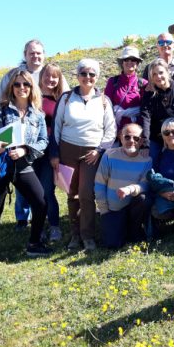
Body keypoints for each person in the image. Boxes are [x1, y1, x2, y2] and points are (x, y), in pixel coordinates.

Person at [0, 69, 51, 270]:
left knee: (41, 201)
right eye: (17, 84)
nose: (21, 88)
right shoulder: (0, 110)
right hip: (0, 164)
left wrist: (25, 149)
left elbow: (44, 140)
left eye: (25, 84)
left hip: (22, 164)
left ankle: (34, 243)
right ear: (11, 87)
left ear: (31, 87)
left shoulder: (37, 114)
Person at [0, 40, 69, 231]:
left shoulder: (52, 75)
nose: (35, 56)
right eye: (32, 53)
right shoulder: (15, 76)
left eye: (39, 53)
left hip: (48, 145)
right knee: (22, 184)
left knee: (45, 187)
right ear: (25, 54)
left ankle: (51, 223)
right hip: (22, 142)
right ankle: (22, 218)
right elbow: (2, 103)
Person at [51, 59, 116, 251]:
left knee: (87, 194)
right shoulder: (66, 98)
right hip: (67, 150)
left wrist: (99, 150)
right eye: (84, 73)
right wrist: (54, 153)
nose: (88, 77)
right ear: (77, 76)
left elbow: (111, 130)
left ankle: (88, 236)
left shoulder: (104, 100)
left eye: (92, 74)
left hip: (91, 153)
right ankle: (75, 235)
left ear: (97, 78)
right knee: (72, 194)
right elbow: (56, 126)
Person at [12, 64, 68, 243]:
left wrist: (56, 153)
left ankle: (54, 225)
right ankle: (38, 225)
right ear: (41, 77)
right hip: (28, 150)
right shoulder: (32, 97)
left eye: (55, 77)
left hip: (48, 152)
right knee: (31, 192)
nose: (50, 80)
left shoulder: (62, 100)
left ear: (59, 79)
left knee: (46, 191)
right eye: (47, 76)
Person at [94, 123, 153, 249]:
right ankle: (119, 228)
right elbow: (99, 184)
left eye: (136, 138)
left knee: (143, 199)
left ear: (141, 141)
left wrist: (130, 189)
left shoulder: (147, 160)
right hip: (112, 210)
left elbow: (145, 185)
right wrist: (104, 211)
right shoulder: (109, 155)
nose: (131, 141)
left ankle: (134, 229)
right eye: (127, 137)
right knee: (112, 244)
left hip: (132, 207)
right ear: (120, 137)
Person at [139, 59, 174, 161]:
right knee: (149, 161)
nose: (158, 76)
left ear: (167, 72)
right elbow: (145, 118)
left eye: (161, 72)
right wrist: (145, 144)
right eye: (154, 74)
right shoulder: (149, 96)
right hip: (156, 137)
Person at [104, 46, 148, 137]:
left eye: (133, 60)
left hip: (136, 132)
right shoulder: (112, 82)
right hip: (115, 130)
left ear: (137, 63)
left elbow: (146, 111)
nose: (129, 62)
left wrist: (134, 130)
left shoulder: (143, 84)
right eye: (126, 59)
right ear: (122, 63)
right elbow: (107, 107)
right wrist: (117, 131)